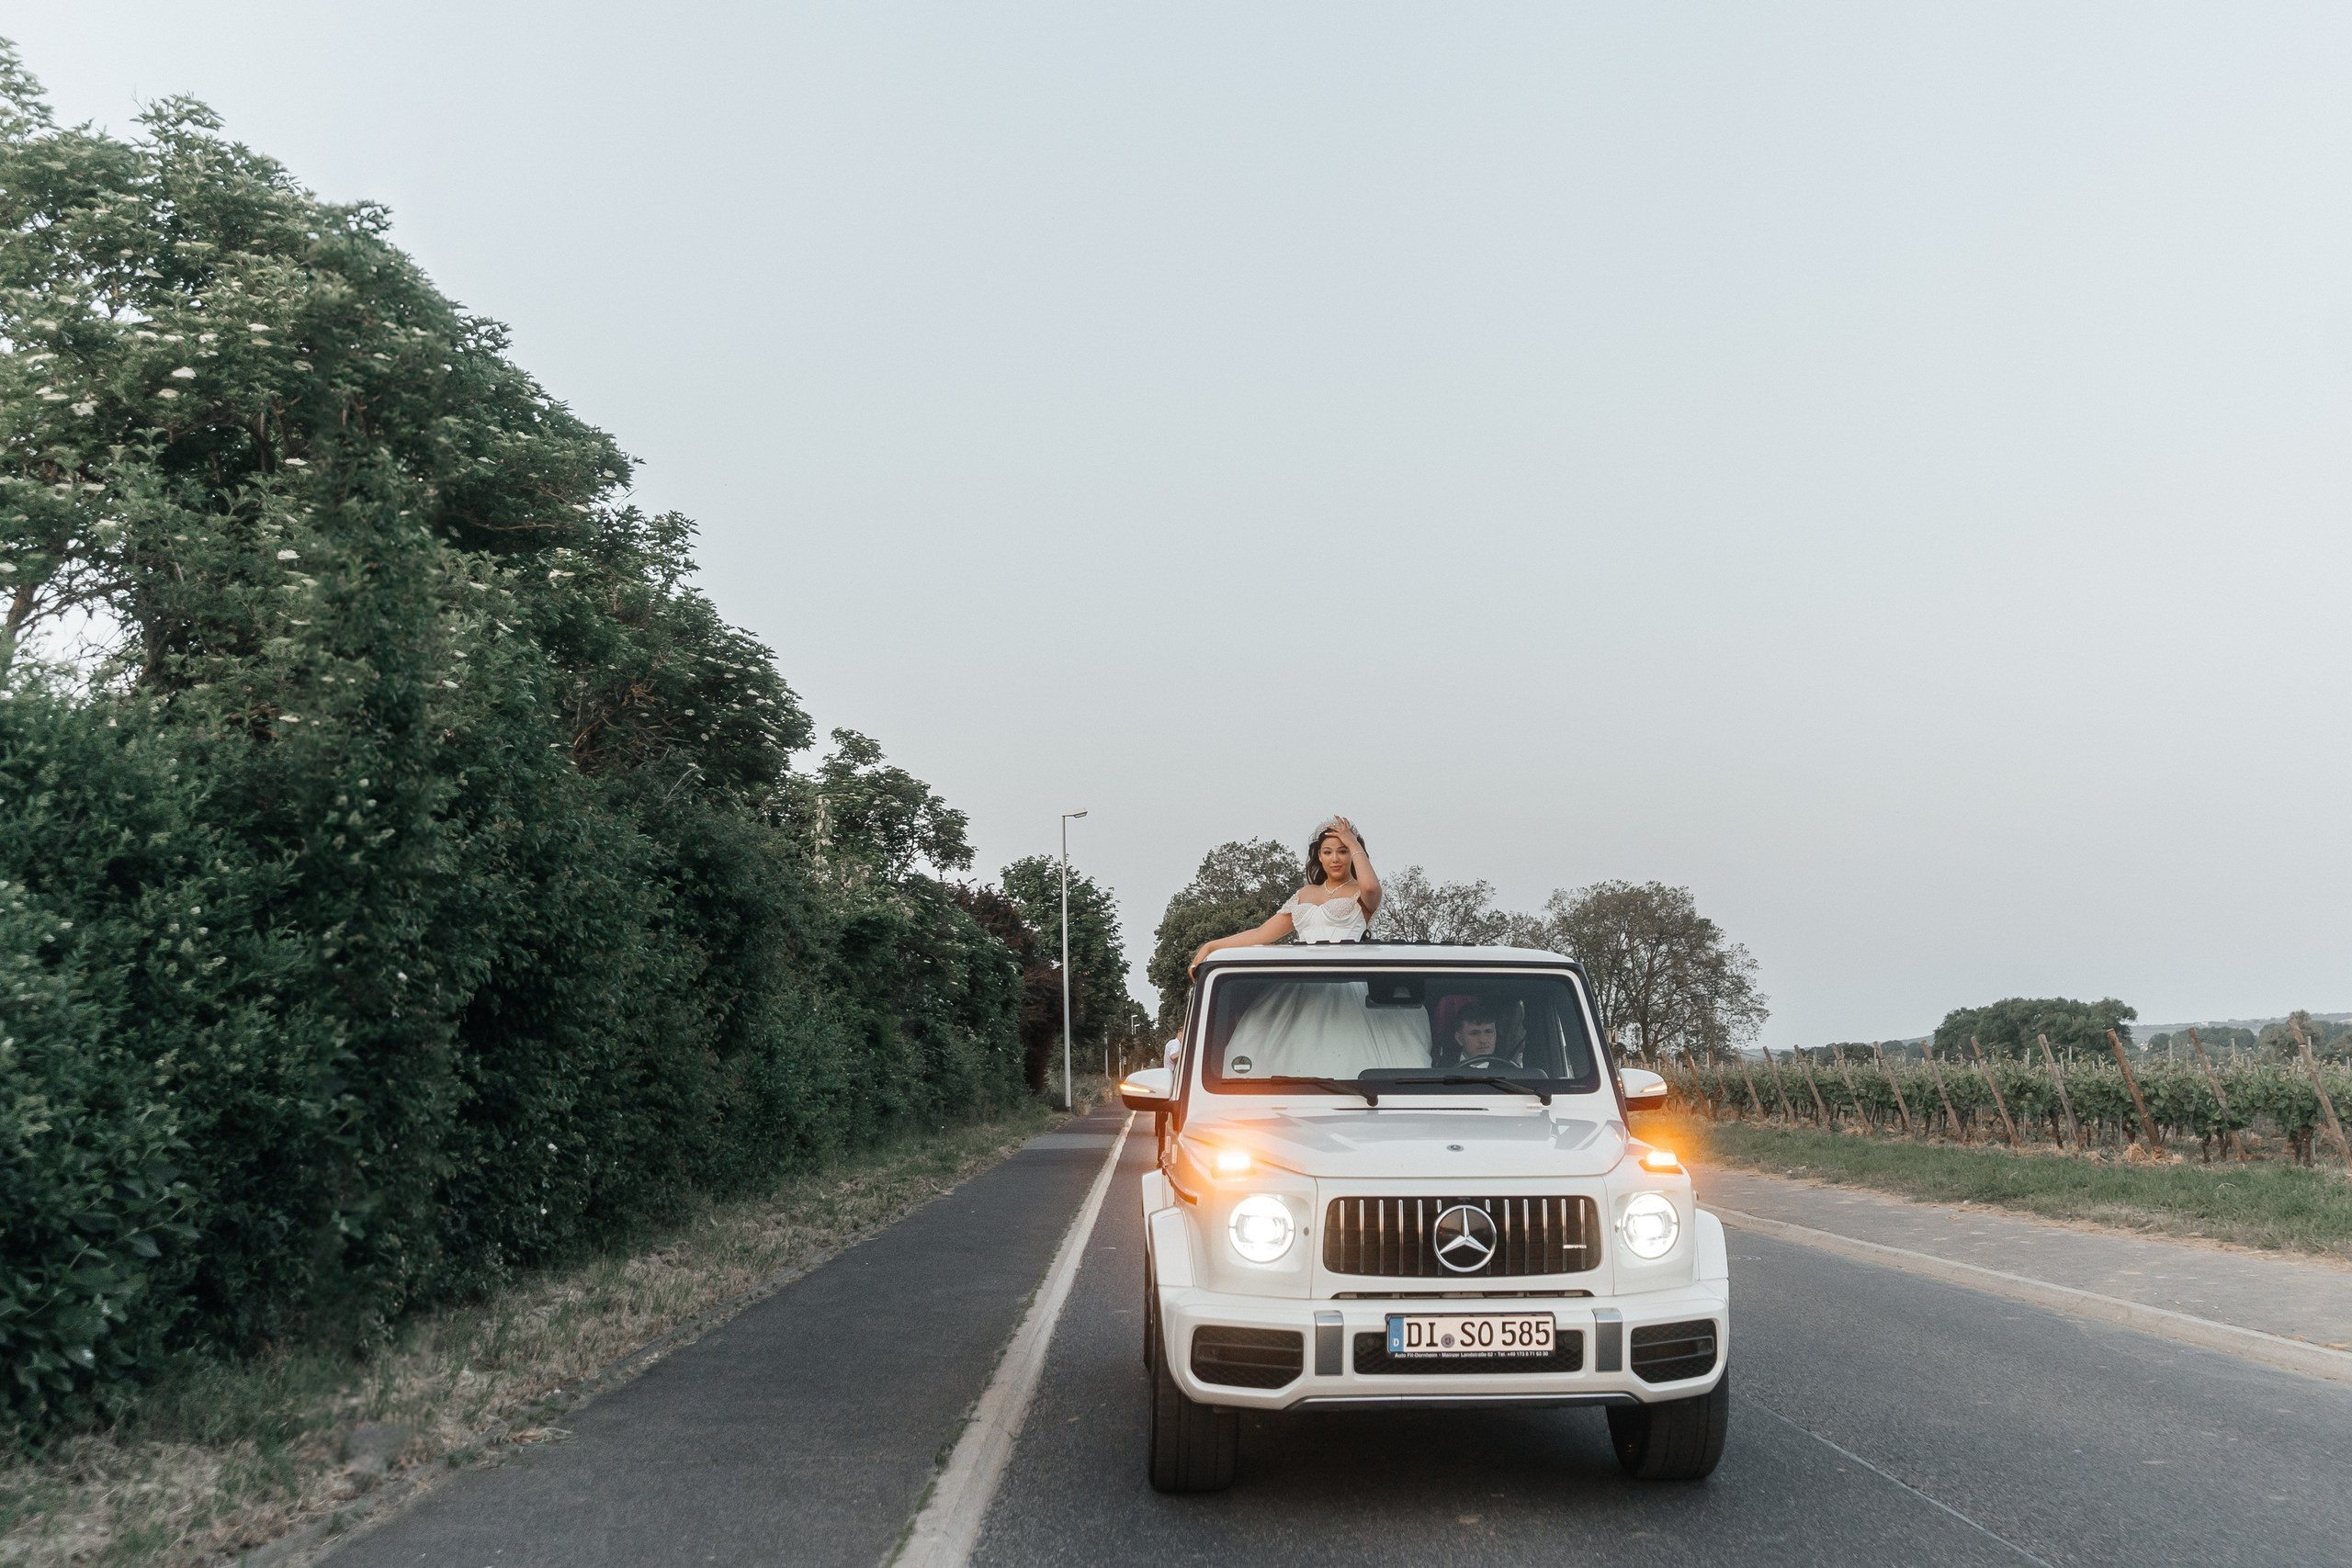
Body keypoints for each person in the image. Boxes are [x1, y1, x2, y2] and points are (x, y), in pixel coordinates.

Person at [1190, 817, 1382, 973]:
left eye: (1343, 851)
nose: (1335, 859)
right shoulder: (1305, 893)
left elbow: (1371, 887)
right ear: (1319, 857)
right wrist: (1211, 946)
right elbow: (1261, 934)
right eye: (1328, 852)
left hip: (1346, 976)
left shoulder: (1361, 892)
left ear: (1353, 854)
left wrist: (1353, 843)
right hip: (1304, 977)